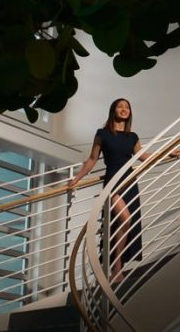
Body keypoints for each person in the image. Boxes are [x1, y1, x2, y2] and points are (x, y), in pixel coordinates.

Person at [69, 98, 146, 278]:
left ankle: (117, 268)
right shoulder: (102, 134)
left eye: (127, 107)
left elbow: (144, 156)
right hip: (113, 184)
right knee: (125, 219)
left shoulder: (132, 137)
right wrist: (77, 178)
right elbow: (92, 159)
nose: (124, 109)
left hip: (130, 183)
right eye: (120, 106)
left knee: (128, 223)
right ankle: (116, 267)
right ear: (113, 110)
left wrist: (170, 152)